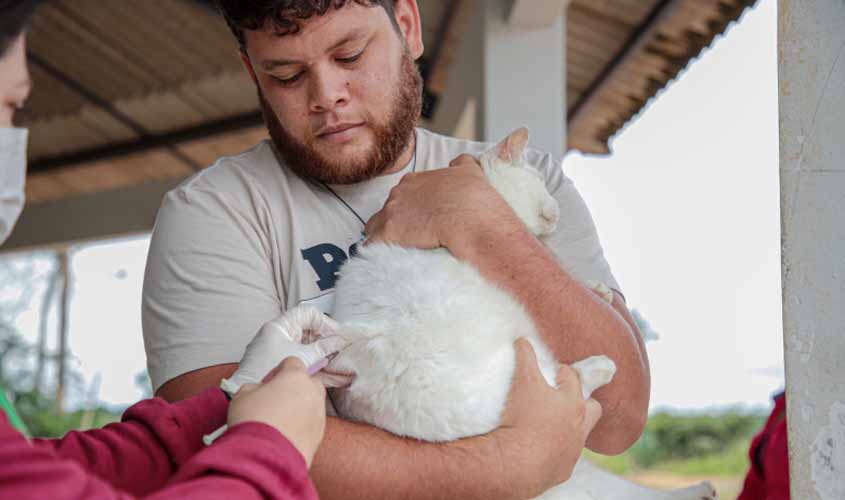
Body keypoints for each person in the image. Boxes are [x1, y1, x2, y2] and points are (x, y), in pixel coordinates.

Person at [141, 1, 651, 499]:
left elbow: (618, 418)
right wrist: (502, 469)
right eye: (288, 75)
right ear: (254, 73)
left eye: (350, 55)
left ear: (407, 25)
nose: (326, 95)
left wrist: (483, 226)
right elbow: (215, 437)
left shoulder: (522, 180)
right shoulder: (214, 211)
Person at [0, 1, 333, 498]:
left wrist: (229, 398)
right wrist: (271, 447)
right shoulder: (212, 206)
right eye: (7, 106)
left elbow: (39, 471)